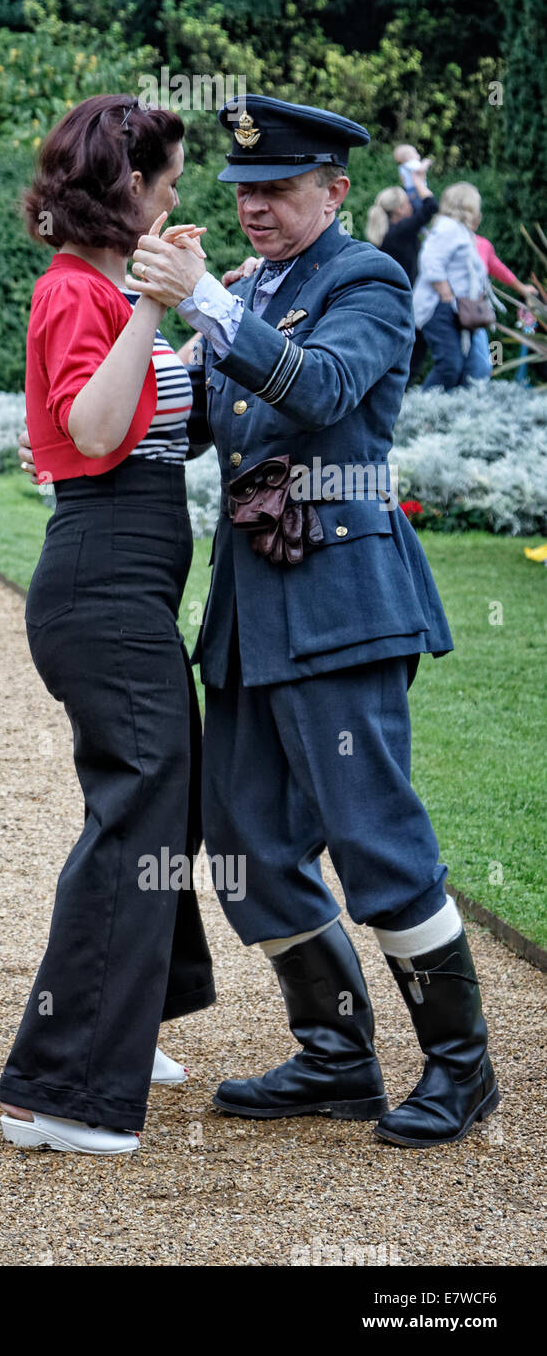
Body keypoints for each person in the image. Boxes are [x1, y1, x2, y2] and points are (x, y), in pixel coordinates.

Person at [124, 95, 498, 1148]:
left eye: (279, 189)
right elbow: (195, 425)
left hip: (342, 602)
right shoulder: (248, 288)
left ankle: (460, 1070)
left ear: (334, 191)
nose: (254, 207)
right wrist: (86, 411)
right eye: (243, 189)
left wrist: (208, 302)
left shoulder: (365, 280)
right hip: (253, 608)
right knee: (247, 840)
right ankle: (336, 1055)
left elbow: (326, 388)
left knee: (372, 838)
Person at [0, 95, 217, 1157]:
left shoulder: (93, 289)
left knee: (159, 805)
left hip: (122, 589)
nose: (175, 202)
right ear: (127, 187)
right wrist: (145, 308)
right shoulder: (81, 294)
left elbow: (162, 419)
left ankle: (123, 1030)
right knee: (133, 821)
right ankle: (60, 1088)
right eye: (167, 186)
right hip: (100, 584)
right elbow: (88, 427)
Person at [415, 182, 495, 390]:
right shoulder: (448, 228)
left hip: (456, 309)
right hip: (440, 307)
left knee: (465, 367)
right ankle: (423, 410)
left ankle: (452, 414)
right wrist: (447, 295)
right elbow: (430, 261)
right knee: (450, 366)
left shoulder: (458, 230)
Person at [367, 165, 437, 383]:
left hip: (393, 302)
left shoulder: (390, 234)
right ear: (399, 210)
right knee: (412, 351)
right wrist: (418, 181)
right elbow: (430, 207)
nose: (411, 206)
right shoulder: (400, 232)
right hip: (404, 302)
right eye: (407, 203)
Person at [474, 231, 538, 384]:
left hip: (473, 314)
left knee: (482, 368)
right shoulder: (448, 238)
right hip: (449, 311)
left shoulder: (483, 244)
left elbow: (498, 268)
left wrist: (522, 289)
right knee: (453, 366)